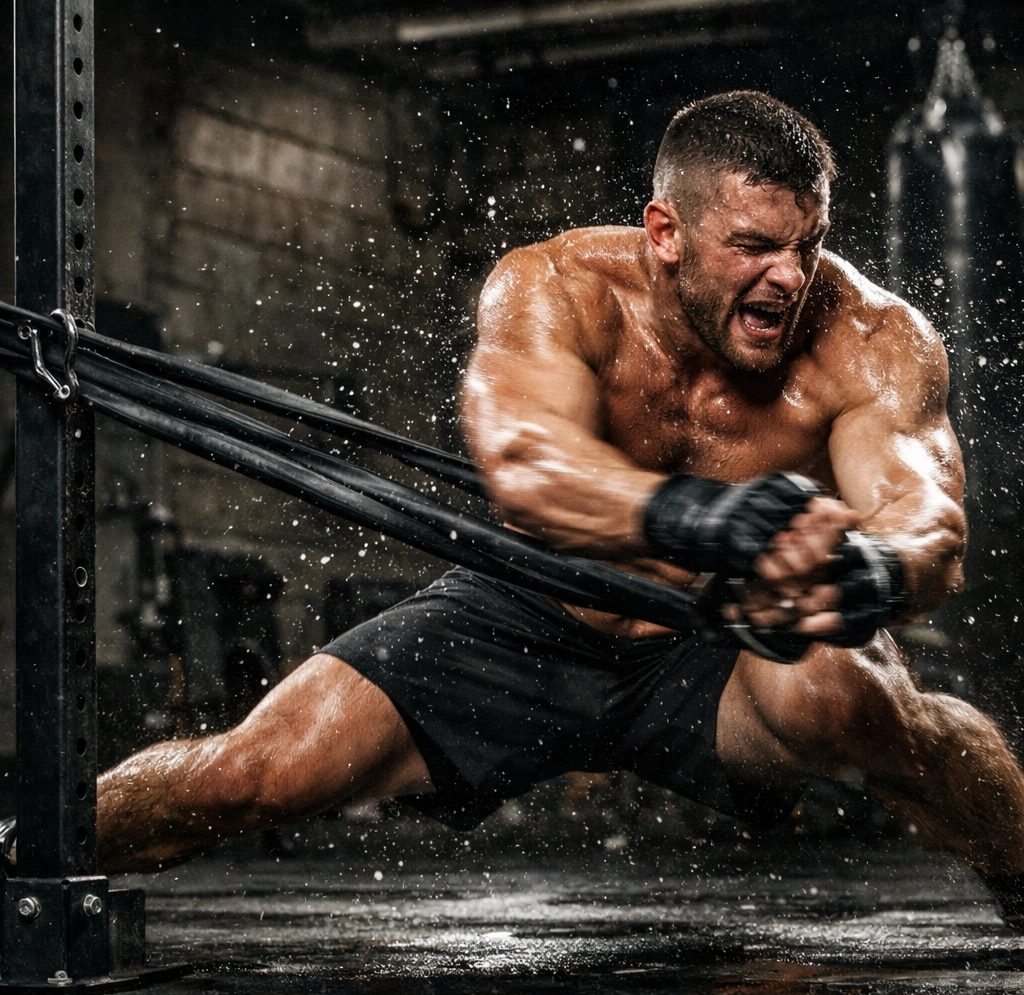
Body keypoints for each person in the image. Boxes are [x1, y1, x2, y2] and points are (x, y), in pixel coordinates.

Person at [5, 90, 1024, 927]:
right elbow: (529, 467)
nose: (789, 277)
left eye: (807, 244)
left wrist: (873, 570)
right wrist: (703, 518)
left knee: (854, 701)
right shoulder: (556, 285)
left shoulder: (872, 337)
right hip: (532, 611)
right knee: (256, 774)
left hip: (715, 639)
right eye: (755, 245)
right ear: (665, 231)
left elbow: (927, 519)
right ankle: (21, 851)